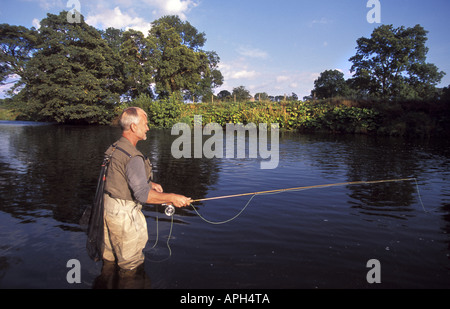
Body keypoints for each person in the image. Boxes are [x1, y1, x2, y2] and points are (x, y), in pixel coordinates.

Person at [102, 107, 192, 273]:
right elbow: (142, 195)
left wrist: (148, 183)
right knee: (130, 267)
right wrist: (172, 197)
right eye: (145, 124)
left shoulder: (115, 147)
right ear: (134, 127)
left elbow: (119, 176)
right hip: (123, 217)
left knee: (109, 260)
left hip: (106, 210)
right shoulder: (133, 156)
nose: (148, 128)